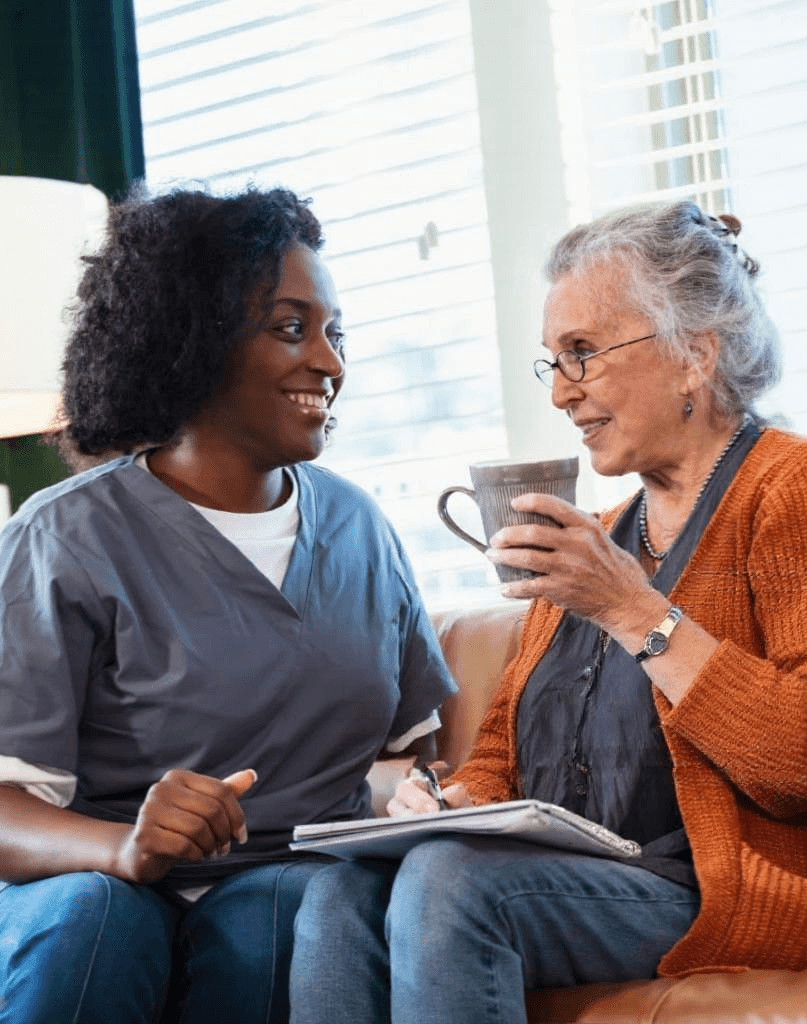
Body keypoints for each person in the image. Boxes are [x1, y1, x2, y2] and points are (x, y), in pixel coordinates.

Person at [289, 199, 807, 1024]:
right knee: (335, 892)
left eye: (583, 353)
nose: (562, 394)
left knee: (451, 884)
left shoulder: (796, 488)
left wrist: (631, 609)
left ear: (694, 354)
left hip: (720, 888)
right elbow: (502, 745)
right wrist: (456, 800)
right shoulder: (601, 538)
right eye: (554, 363)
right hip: (574, 877)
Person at [0, 185, 456, 1024]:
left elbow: (401, 762)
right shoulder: (62, 537)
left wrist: (420, 796)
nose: (330, 362)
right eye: (291, 328)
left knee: (286, 915)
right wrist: (128, 849)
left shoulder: (359, 528)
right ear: (191, 343)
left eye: (334, 332)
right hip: (98, 883)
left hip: (292, 886)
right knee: (95, 920)